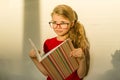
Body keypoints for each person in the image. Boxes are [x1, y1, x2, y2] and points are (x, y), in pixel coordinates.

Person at [29, 4, 90, 80]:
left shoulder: (77, 42)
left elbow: (81, 75)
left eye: (63, 23)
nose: (58, 26)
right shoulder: (48, 43)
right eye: (54, 22)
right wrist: (34, 59)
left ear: (72, 23)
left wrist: (82, 59)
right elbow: (47, 73)